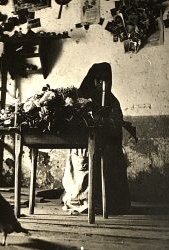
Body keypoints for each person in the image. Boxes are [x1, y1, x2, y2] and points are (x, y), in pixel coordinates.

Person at [62, 62, 131, 215]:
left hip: (107, 149)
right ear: (92, 79)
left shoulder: (112, 101)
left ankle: (108, 202)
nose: (102, 84)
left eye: (106, 80)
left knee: (110, 159)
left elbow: (115, 127)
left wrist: (107, 122)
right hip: (84, 149)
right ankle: (83, 199)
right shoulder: (81, 98)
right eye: (98, 80)